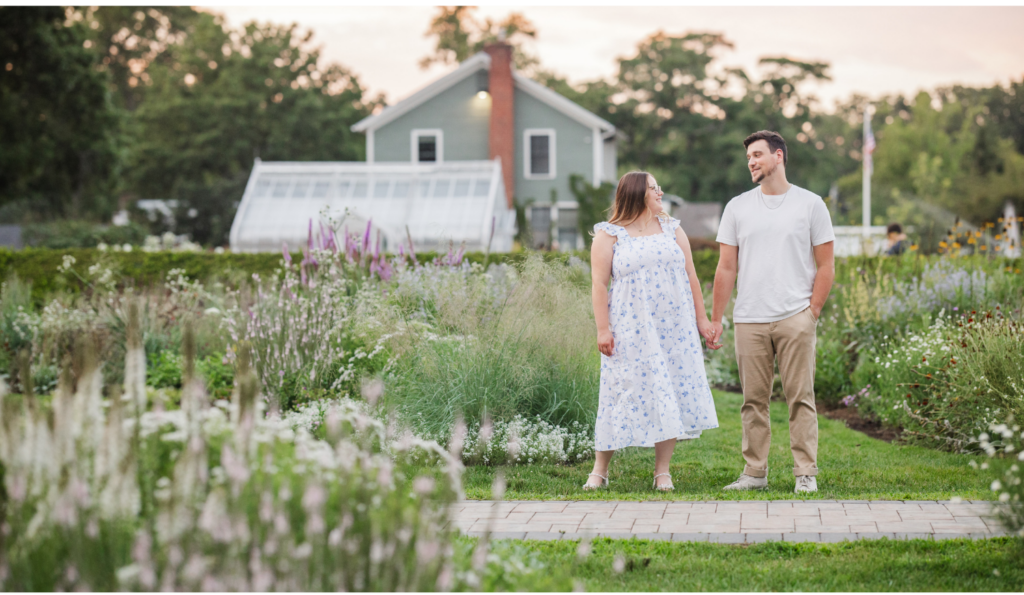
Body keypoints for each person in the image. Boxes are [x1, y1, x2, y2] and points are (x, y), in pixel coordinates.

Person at [708, 131, 835, 494]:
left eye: (758, 154)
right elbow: (725, 268)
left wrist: (812, 311)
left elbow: (825, 265)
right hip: (750, 318)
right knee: (753, 402)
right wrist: (717, 319)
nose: (751, 161)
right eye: (749, 156)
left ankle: (805, 473)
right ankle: (754, 473)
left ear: (779, 156)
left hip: (796, 316)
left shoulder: (811, 205)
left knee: (801, 398)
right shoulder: (737, 207)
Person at [584, 171, 719, 492]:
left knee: (668, 388)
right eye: (654, 187)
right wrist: (603, 329)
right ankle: (600, 469)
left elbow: (692, 278)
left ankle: (662, 472)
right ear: (636, 193)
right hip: (630, 329)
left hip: (675, 329)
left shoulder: (672, 228)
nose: (660, 192)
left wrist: (703, 321)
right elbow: (599, 286)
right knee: (619, 393)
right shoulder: (609, 234)